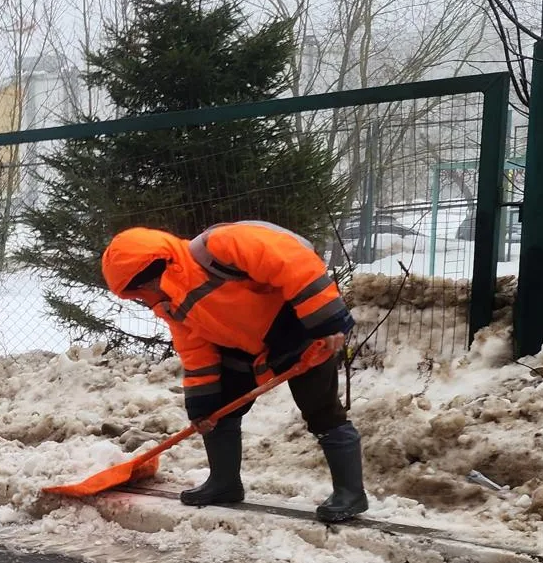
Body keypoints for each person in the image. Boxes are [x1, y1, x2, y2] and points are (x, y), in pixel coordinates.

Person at [100, 221, 368, 522]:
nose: (142, 296)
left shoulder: (217, 246)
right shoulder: (169, 304)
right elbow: (195, 349)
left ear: (156, 267)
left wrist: (328, 322)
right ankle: (224, 483)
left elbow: (294, 263)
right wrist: (201, 403)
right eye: (134, 293)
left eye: (140, 287)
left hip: (301, 330)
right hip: (246, 350)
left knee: (322, 411)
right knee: (217, 410)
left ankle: (350, 494)